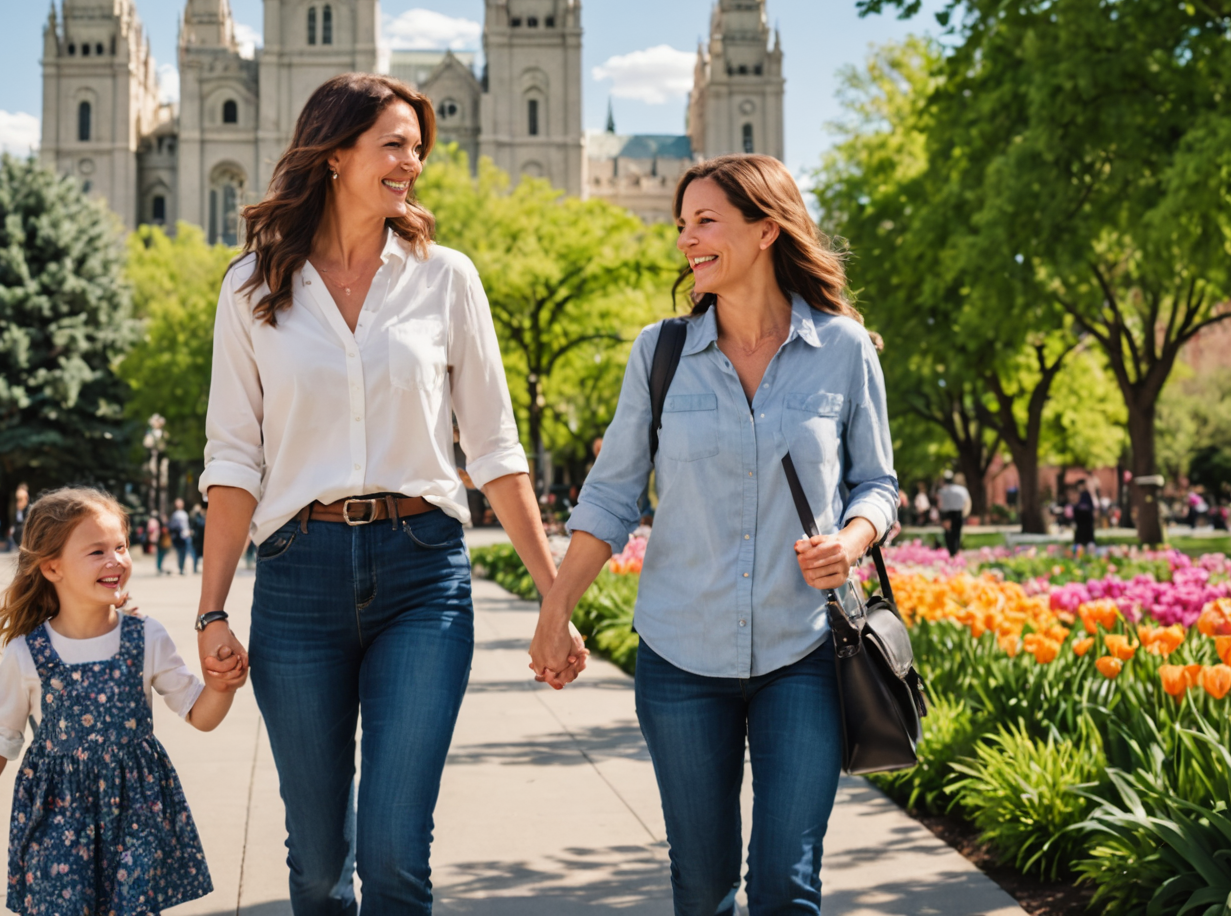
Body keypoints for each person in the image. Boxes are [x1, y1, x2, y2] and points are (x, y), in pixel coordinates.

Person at [197, 73, 572, 916]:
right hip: (299, 574)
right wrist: (211, 611)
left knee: (397, 852)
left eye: (417, 147)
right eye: (394, 145)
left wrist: (554, 598)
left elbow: (496, 448)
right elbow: (232, 458)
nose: (414, 164)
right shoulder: (252, 286)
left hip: (422, 573)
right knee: (317, 860)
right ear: (335, 155)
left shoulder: (447, 279)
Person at [535, 153, 899, 916]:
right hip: (681, 656)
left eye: (706, 222)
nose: (685, 241)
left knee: (787, 884)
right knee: (702, 887)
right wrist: (556, 608)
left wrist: (854, 539)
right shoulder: (660, 353)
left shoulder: (843, 349)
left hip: (803, 651)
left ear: (767, 229)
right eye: (681, 225)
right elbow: (610, 496)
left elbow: (878, 484)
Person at [0, 486, 228, 914]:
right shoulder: (27, 653)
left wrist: (221, 687)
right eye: (97, 551)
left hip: (136, 813)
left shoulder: (146, 637)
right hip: (59, 820)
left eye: (121, 546)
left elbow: (199, 712)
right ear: (52, 567)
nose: (115, 560)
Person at [937, 471, 970, 557]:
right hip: (958, 513)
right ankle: (955, 551)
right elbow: (966, 502)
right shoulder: (962, 490)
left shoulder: (942, 491)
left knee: (948, 533)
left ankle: (951, 551)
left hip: (946, 514)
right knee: (957, 532)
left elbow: (940, 504)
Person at [1072, 477, 1098, 554]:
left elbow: (1092, 506)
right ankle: (1079, 548)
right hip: (1080, 518)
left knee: (1088, 533)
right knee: (1080, 533)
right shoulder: (1078, 494)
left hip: (1086, 518)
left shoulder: (1087, 494)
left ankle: (1088, 549)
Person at [169, 498, 194, 576]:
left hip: (186, 536)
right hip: (179, 537)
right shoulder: (175, 515)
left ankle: (183, 567)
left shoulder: (184, 513)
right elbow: (173, 527)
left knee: (185, 553)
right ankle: (181, 568)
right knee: (180, 553)